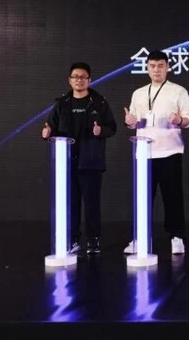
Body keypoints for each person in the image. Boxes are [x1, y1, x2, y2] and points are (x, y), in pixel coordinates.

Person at [123, 50, 189, 255]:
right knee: (142, 198)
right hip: (144, 152)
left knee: (173, 197)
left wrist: (179, 120)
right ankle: (139, 237)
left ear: (168, 67)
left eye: (160, 66)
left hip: (170, 151)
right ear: (147, 68)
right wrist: (130, 122)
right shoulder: (138, 93)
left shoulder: (178, 91)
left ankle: (177, 237)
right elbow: (136, 121)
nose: (156, 70)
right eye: (152, 66)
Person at [42, 62, 117, 255]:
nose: (79, 80)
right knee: (71, 204)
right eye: (75, 77)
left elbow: (112, 128)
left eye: (83, 77)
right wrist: (46, 134)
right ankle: (73, 239)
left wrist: (101, 131)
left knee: (92, 204)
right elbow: (50, 128)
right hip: (67, 162)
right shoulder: (62, 103)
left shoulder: (99, 102)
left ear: (89, 80)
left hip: (91, 161)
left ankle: (93, 240)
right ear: (69, 80)